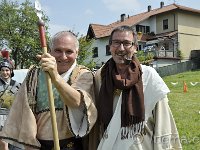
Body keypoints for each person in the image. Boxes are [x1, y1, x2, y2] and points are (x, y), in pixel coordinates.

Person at [0, 31, 97, 150]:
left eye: (69, 51)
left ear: (77, 53)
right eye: (58, 50)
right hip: (38, 145)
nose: (63, 56)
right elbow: (24, 113)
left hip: (71, 144)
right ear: (50, 51)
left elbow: (77, 102)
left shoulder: (83, 74)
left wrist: (55, 76)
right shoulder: (34, 75)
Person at [91, 25, 182, 150]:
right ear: (110, 46)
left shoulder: (149, 76)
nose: (121, 48)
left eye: (127, 43)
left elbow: (163, 120)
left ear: (135, 47)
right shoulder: (100, 76)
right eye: (116, 42)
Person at [0, 57, 21, 150]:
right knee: (4, 144)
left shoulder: (17, 84)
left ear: (11, 71)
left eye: (7, 70)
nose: (5, 72)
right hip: (0, 117)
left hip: (13, 117)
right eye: (3, 70)